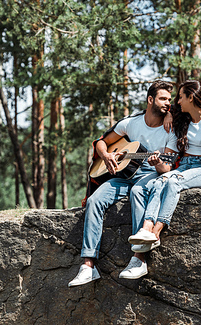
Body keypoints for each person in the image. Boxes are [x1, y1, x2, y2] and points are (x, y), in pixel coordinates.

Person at [119, 79, 201, 280]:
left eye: (180, 97)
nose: (176, 102)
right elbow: (166, 108)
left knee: (172, 181)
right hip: (185, 165)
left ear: (191, 97)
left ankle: (155, 232)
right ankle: (146, 228)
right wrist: (169, 114)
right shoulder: (183, 117)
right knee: (157, 181)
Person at [68, 80, 176, 287]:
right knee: (94, 200)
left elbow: (167, 169)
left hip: (151, 174)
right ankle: (88, 266)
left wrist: (159, 162)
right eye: (163, 99)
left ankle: (139, 259)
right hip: (124, 175)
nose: (167, 103)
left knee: (138, 192)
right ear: (150, 99)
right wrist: (107, 155)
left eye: (169, 100)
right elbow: (101, 141)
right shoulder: (131, 123)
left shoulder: (170, 128)